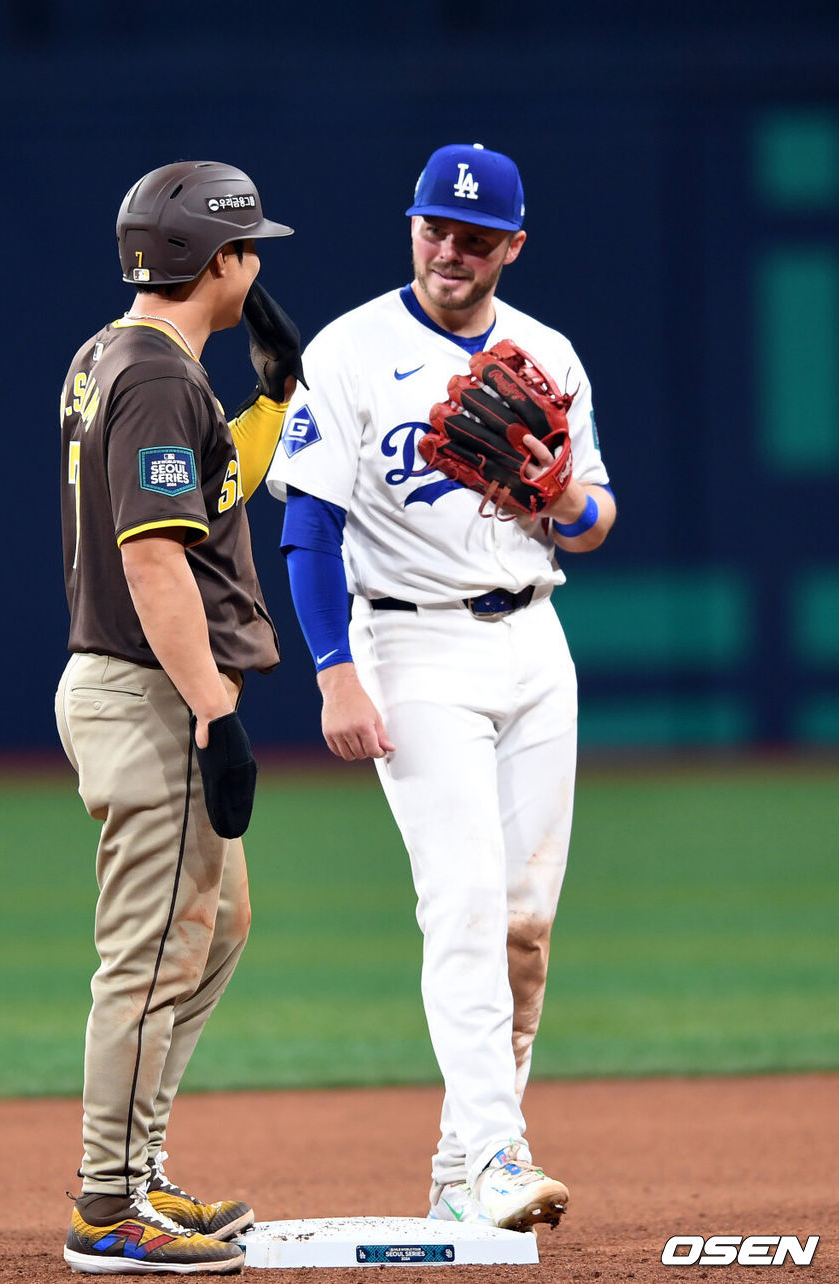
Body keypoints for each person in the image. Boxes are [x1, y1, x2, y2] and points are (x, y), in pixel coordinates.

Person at [266, 142, 616, 1235]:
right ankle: (500, 1153)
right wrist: (334, 674)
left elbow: (599, 519)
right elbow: (307, 529)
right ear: (411, 224)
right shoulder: (354, 350)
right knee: (460, 906)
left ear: (511, 245)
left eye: (473, 237)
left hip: (532, 641)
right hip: (410, 652)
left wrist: (559, 502)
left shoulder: (545, 352)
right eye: (432, 228)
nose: (449, 251)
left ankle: (466, 1163)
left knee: (523, 924)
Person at [55, 159, 301, 1275]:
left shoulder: (119, 356)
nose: (258, 270)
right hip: (153, 688)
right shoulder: (154, 377)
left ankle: (138, 1172)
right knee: (151, 955)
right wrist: (215, 711)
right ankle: (109, 1210)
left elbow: (191, 501)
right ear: (219, 260)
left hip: (140, 681)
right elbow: (155, 558)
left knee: (214, 926)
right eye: (251, 250)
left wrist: (269, 408)